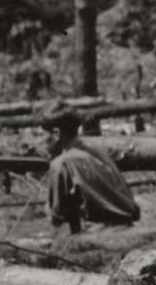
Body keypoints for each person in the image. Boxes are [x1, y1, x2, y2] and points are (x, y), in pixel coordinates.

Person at [40, 101, 141, 235]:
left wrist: (47, 208)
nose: (40, 140)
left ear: (56, 134)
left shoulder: (61, 163)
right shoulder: (99, 152)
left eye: (42, 135)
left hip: (98, 234)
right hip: (127, 226)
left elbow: (56, 218)